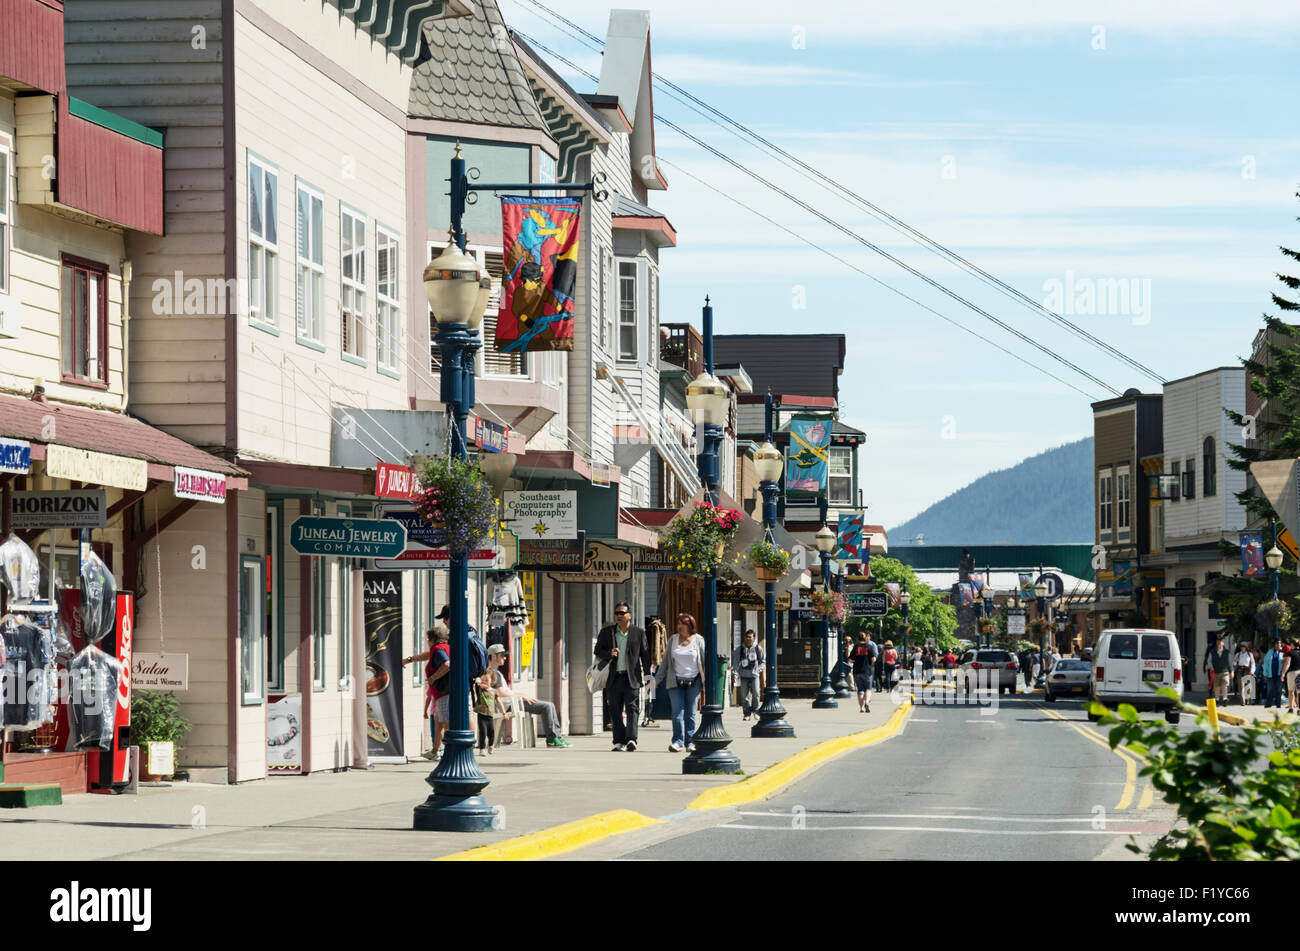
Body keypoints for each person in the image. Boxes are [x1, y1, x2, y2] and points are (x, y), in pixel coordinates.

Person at [485, 644, 572, 748]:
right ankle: (552, 739)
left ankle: (558, 737)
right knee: (547, 706)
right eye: (502, 655)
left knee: (550, 705)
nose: (505, 657)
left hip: (514, 702)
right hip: (509, 705)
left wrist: (520, 696)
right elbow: (501, 693)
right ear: (494, 656)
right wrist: (521, 696)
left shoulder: (496, 672)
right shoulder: (492, 673)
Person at [594, 601, 650, 751]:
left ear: (629, 615)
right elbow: (597, 650)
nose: (618, 616)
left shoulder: (639, 633)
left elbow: (645, 656)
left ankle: (631, 739)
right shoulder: (607, 632)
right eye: (617, 613)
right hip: (613, 678)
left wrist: (649, 679)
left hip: (632, 678)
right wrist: (609, 654)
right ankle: (619, 741)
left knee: (632, 708)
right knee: (615, 710)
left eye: (622, 613)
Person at [655, 613, 707, 752]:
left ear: (690, 626)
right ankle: (677, 741)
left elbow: (704, 662)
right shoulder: (673, 640)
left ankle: (690, 742)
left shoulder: (699, 640)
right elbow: (665, 662)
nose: (680, 627)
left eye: (683, 624)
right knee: (677, 713)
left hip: (694, 681)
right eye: (678, 624)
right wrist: (656, 680)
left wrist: (707, 683)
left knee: (690, 714)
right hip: (675, 681)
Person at [402, 623, 451, 760]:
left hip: (443, 692)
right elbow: (427, 655)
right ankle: (435, 750)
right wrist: (409, 660)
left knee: (445, 722)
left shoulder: (438, 649)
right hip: (441, 692)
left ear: (433, 639)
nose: (427, 642)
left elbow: (447, 664)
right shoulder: (444, 648)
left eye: (428, 639)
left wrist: (433, 678)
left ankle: (450, 750)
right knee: (438, 722)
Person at [732, 629, 764, 721]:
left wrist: (758, 670)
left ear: (754, 638)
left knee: (756, 693)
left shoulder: (758, 648)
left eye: (750, 637)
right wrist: (735, 674)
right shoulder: (739, 649)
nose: (748, 639)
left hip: (754, 675)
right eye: (746, 637)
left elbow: (763, 661)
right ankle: (746, 713)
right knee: (744, 696)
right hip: (744, 676)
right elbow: (736, 663)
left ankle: (756, 711)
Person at [849, 633, 878, 712]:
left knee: (860, 690)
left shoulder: (856, 647)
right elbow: (873, 659)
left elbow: (850, 660)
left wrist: (857, 660)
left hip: (857, 671)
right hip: (867, 671)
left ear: (858, 639)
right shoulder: (869, 646)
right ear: (865, 638)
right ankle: (867, 702)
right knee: (868, 689)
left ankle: (861, 708)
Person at [1261, 637, 1287, 709]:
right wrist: (1265, 673)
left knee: (1279, 689)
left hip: (1279, 674)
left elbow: (1286, 661)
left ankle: (1278, 704)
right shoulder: (1270, 652)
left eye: (1279, 643)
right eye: (1277, 643)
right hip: (1270, 674)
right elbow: (1266, 663)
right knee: (1270, 689)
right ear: (1275, 644)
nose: (1278, 644)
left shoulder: (1283, 652)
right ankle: (1268, 704)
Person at [1206, 633, 1232, 704]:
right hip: (1216, 672)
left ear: (1223, 643)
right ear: (1216, 643)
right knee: (1216, 686)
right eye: (1218, 642)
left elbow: (1230, 662)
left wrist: (1231, 671)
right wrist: (1211, 667)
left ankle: (1224, 699)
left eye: (1220, 642)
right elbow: (1209, 661)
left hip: (1225, 672)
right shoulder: (1212, 652)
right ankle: (1217, 699)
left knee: (1224, 685)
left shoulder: (1227, 652)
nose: (1219, 643)